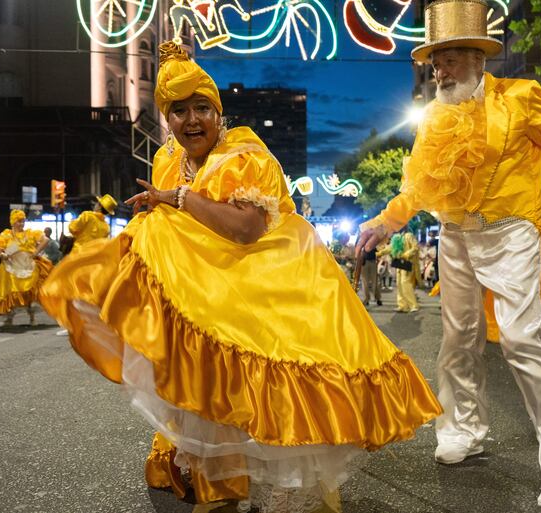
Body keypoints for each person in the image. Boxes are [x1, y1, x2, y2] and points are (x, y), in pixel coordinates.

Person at [39, 41, 441, 513]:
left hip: (268, 277)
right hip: (205, 283)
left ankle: (272, 483)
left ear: (218, 112)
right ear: (167, 119)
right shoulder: (168, 159)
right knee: (202, 371)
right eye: (179, 110)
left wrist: (176, 200)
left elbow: (248, 229)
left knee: (269, 385)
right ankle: (219, 480)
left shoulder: (247, 154)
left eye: (202, 108)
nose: (192, 120)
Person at [355, 1, 541, 508]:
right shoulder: (434, 118)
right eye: (435, 63)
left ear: (478, 59)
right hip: (455, 237)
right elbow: (418, 187)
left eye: (450, 60)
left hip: (513, 232)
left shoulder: (521, 98)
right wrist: (384, 221)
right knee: (458, 340)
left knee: (520, 341)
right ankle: (464, 428)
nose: (439, 71)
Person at [0, 210, 52, 326]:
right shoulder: (6, 235)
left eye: (23, 221)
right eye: (19, 221)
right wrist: (4, 255)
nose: (22, 224)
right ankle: (9, 319)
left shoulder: (30, 233)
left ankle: (32, 318)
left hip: (28, 265)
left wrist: (36, 252)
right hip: (11, 266)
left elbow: (46, 240)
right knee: (10, 291)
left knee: (30, 291)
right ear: (13, 222)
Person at [389, 232, 419, 312]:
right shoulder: (397, 237)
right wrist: (380, 253)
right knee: (399, 284)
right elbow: (391, 248)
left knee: (405, 283)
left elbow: (415, 247)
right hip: (400, 264)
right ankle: (402, 305)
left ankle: (413, 305)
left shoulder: (409, 236)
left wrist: (406, 254)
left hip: (407, 263)